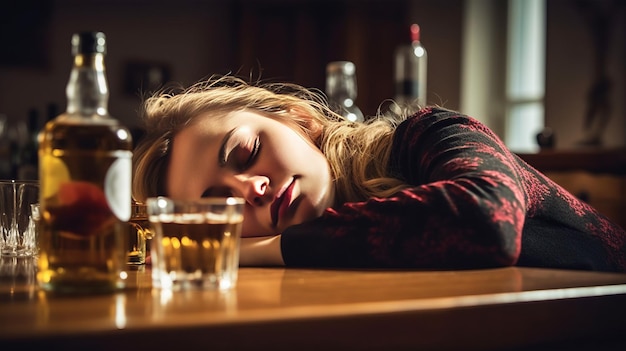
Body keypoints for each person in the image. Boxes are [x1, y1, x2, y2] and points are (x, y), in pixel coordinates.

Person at [132, 74, 626, 272]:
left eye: (246, 152)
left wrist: (253, 251)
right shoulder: (326, 252)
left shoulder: (432, 134)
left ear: (298, 119)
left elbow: (485, 221)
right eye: (219, 206)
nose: (250, 190)